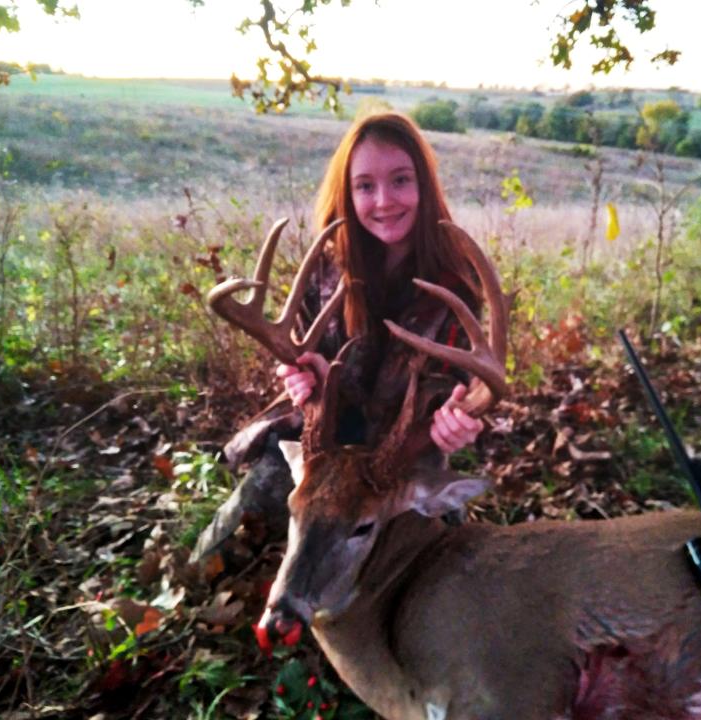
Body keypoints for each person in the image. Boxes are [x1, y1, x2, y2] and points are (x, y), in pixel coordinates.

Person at [192, 112, 489, 561]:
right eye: (365, 185)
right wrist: (302, 378)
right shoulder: (325, 268)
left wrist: (455, 421)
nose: (384, 200)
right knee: (221, 549)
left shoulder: (458, 283)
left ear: (424, 185)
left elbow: (460, 385)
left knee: (438, 570)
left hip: (400, 456)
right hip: (325, 442)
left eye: (401, 180)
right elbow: (303, 359)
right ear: (348, 194)